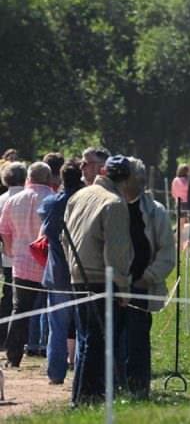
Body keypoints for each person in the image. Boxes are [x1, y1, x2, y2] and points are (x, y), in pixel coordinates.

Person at [64, 155, 133, 405]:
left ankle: (83, 395)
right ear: (126, 179)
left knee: (86, 340)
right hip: (100, 279)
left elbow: (65, 238)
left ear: (104, 171)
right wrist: (123, 286)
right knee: (97, 341)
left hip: (77, 275)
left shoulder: (78, 195)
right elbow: (115, 252)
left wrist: (73, 267)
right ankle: (87, 397)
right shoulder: (114, 203)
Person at [120, 157, 175, 398]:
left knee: (138, 339)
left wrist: (149, 277)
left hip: (142, 286)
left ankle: (138, 386)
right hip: (112, 284)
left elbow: (167, 252)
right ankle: (114, 384)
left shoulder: (156, 212)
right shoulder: (110, 206)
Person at [0, 161, 53, 368]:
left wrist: (11, 249)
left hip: (21, 261)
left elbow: (4, 229)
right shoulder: (52, 199)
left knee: (19, 309)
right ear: (48, 179)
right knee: (54, 309)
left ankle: (13, 357)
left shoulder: (14, 200)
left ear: (29, 178)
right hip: (48, 261)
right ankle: (54, 355)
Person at [37, 159, 84, 384]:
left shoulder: (52, 203)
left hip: (57, 273)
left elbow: (42, 218)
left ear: (61, 179)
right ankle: (82, 372)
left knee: (57, 327)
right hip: (83, 272)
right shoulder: (86, 202)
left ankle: (55, 374)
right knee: (84, 328)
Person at [0, 162, 27, 346]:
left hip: (7, 255)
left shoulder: (1, 199)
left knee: (8, 295)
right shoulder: (28, 197)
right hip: (30, 258)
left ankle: (3, 335)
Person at [171, 164, 190, 232]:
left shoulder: (175, 180)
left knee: (180, 223)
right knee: (185, 223)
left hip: (178, 202)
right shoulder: (188, 181)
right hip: (186, 203)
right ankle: (183, 240)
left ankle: (179, 240)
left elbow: (173, 193)